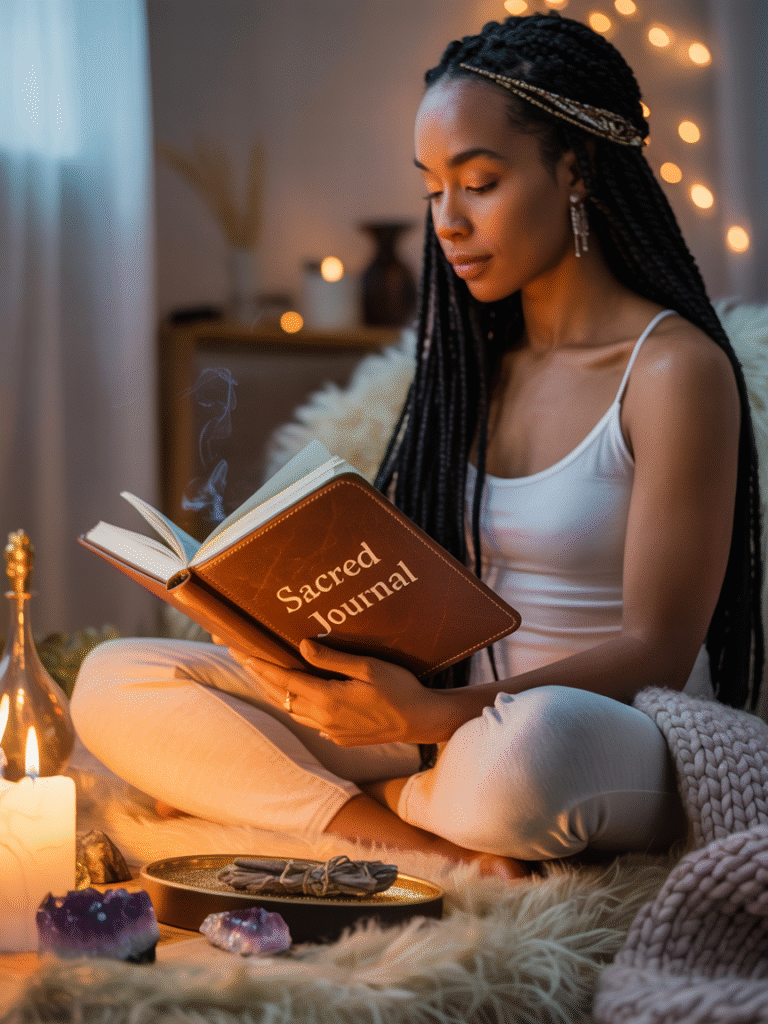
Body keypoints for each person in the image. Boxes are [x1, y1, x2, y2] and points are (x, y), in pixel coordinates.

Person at [72, 12, 763, 880]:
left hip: (601, 733)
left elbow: (659, 647)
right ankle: (429, 849)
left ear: (576, 170)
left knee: (526, 759)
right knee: (117, 678)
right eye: (432, 189)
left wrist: (425, 722)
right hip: (447, 721)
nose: (448, 222)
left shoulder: (672, 370)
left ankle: (325, 808)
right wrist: (312, 658)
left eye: (479, 182)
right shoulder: (470, 370)